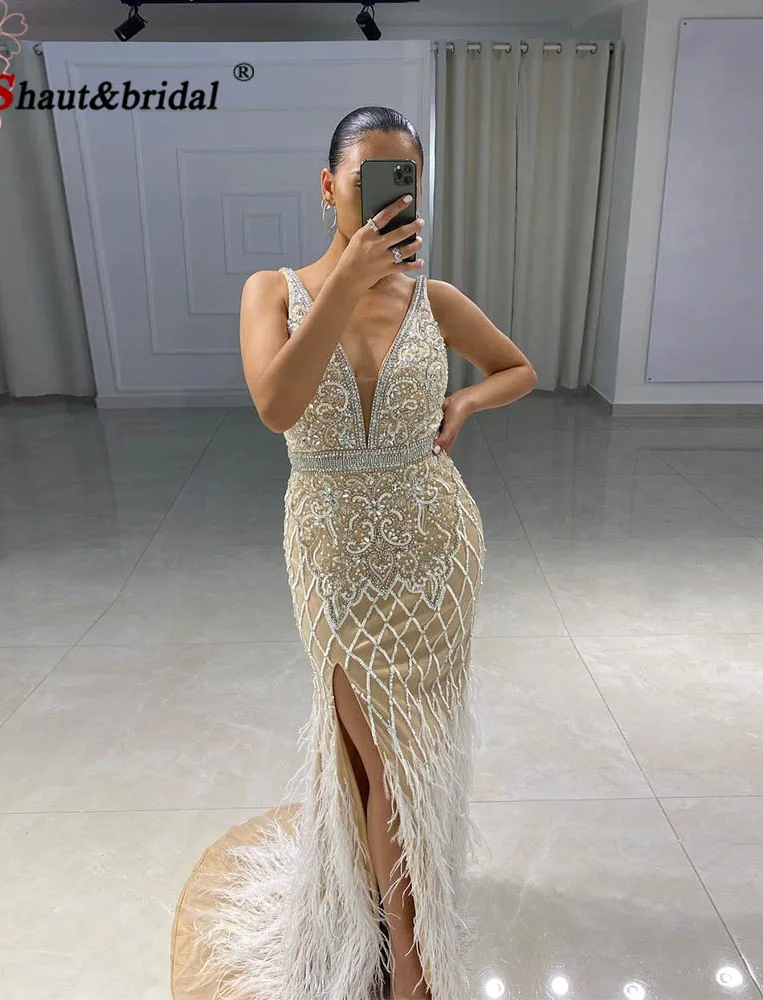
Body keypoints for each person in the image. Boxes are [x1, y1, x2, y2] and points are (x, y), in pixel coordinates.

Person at [185, 106, 536, 1000]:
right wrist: (347, 280)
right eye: (368, 179)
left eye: (404, 180)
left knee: (406, 751)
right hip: (335, 553)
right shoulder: (272, 292)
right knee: (377, 754)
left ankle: (402, 947)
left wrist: (464, 404)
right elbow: (277, 404)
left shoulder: (433, 300)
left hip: (436, 546)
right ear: (327, 186)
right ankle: (405, 957)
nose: (388, 199)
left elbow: (518, 369)